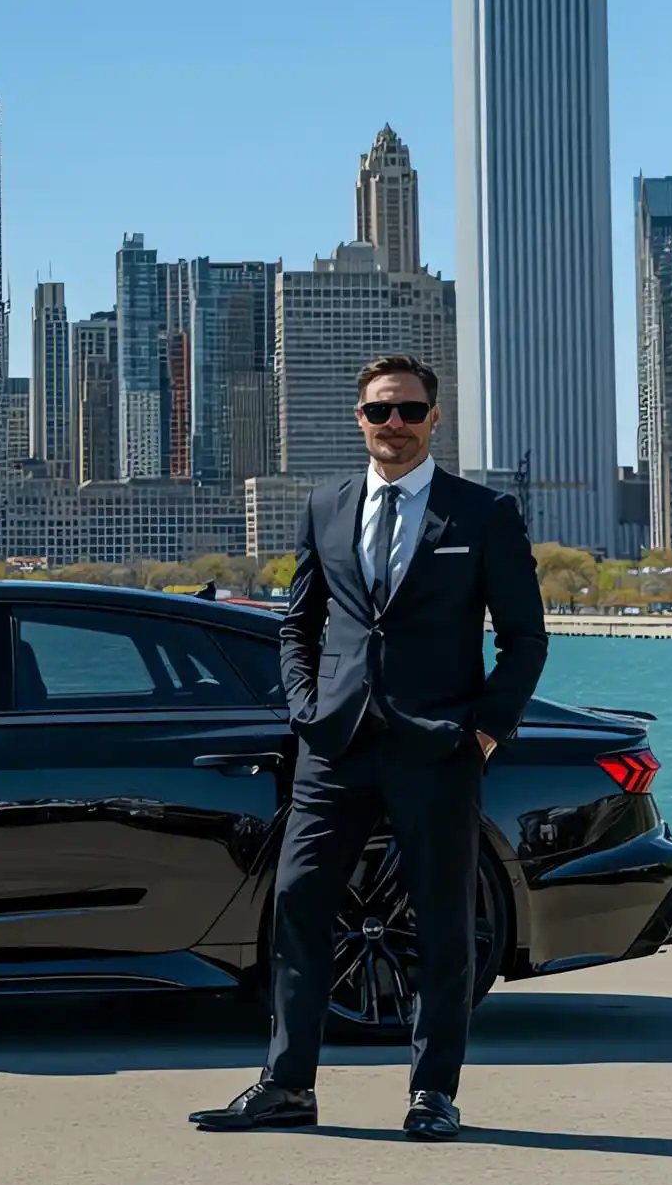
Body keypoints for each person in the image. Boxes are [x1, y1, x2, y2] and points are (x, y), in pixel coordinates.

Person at [190, 353, 547, 1141]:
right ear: (360, 418)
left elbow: (524, 637)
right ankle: (287, 1085)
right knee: (296, 910)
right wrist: (306, 708)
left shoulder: (483, 514)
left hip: (437, 748)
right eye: (381, 411)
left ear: (434, 419)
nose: (395, 424)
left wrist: (485, 729)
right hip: (335, 747)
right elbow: (299, 622)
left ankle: (433, 1093)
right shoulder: (325, 505)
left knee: (445, 925)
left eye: (411, 411)